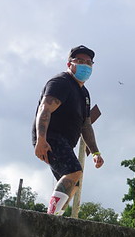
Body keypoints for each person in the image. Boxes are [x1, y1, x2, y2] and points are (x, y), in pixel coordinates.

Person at [32, 45, 104, 215]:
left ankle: (56, 217)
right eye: (79, 61)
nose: (85, 65)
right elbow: (45, 110)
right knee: (74, 171)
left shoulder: (84, 93)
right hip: (51, 137)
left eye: (89, 63)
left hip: (65, 142)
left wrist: (95, 152)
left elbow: (86, 125)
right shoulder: (61, 83)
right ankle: (50, 218)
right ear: (69, 64)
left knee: (73, 185)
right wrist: (41, 139)